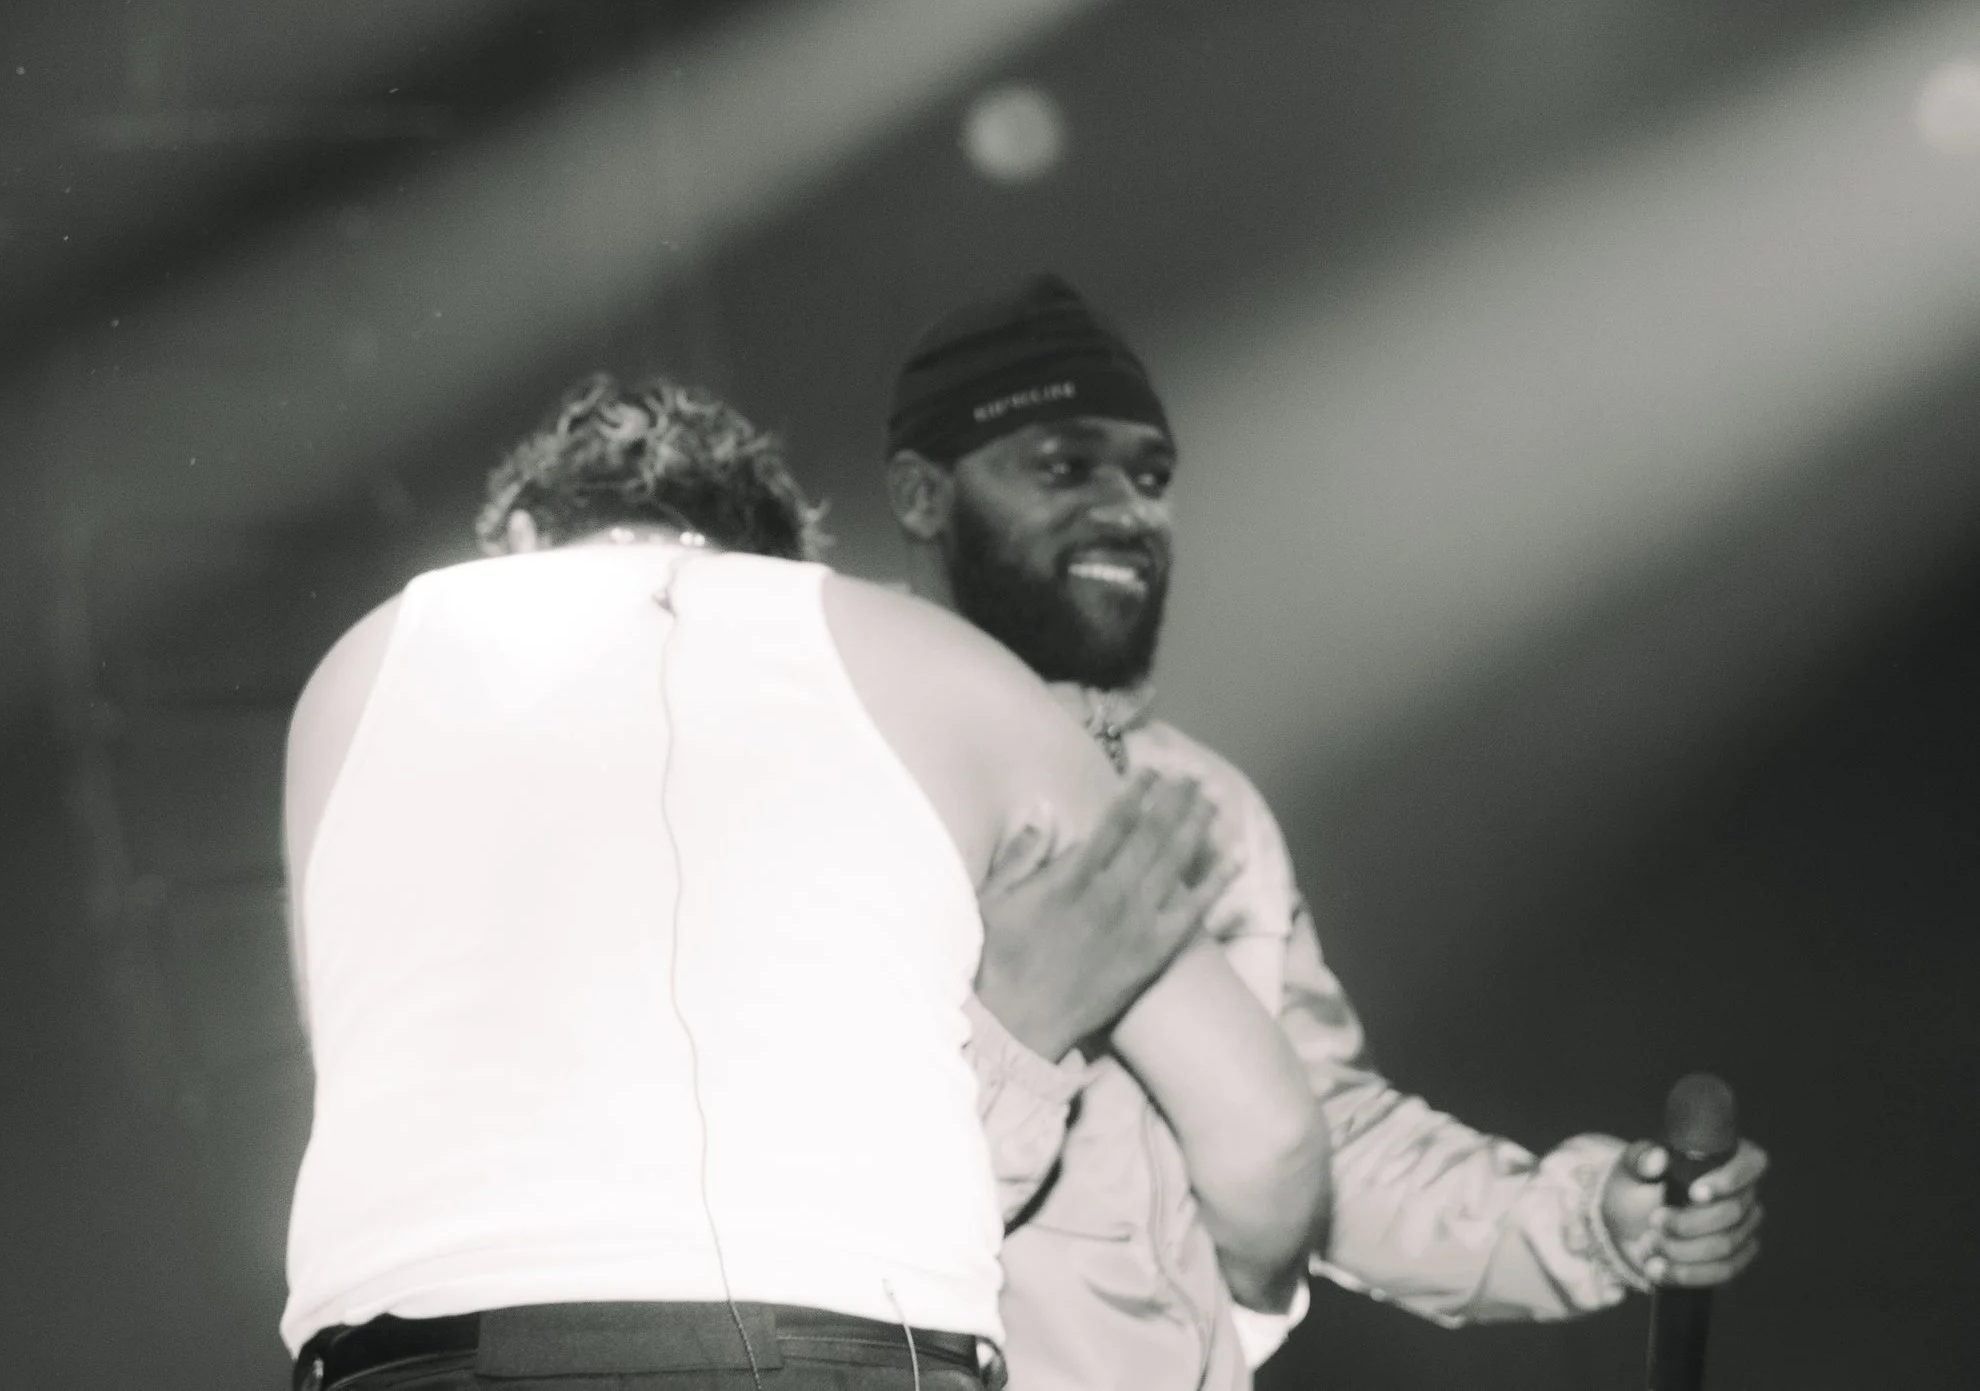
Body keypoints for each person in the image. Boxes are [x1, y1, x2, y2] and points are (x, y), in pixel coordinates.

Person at [276, 375, 1324, 1391]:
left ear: (513, 542)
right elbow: (1268, 1135)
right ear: (780, 562)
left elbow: (368, 1067)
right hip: (843, 1344)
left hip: (412, 1350)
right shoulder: (935, 660)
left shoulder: (357, 668)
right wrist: (1234, 1322)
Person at [883, 275, 1772, 1389]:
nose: (1124, 508)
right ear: (922, 493)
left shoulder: (1201, 800)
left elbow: (1322, 1144)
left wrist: (1591, 1218)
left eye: (1149, 475)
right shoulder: (844, 762)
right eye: (1062, 465)